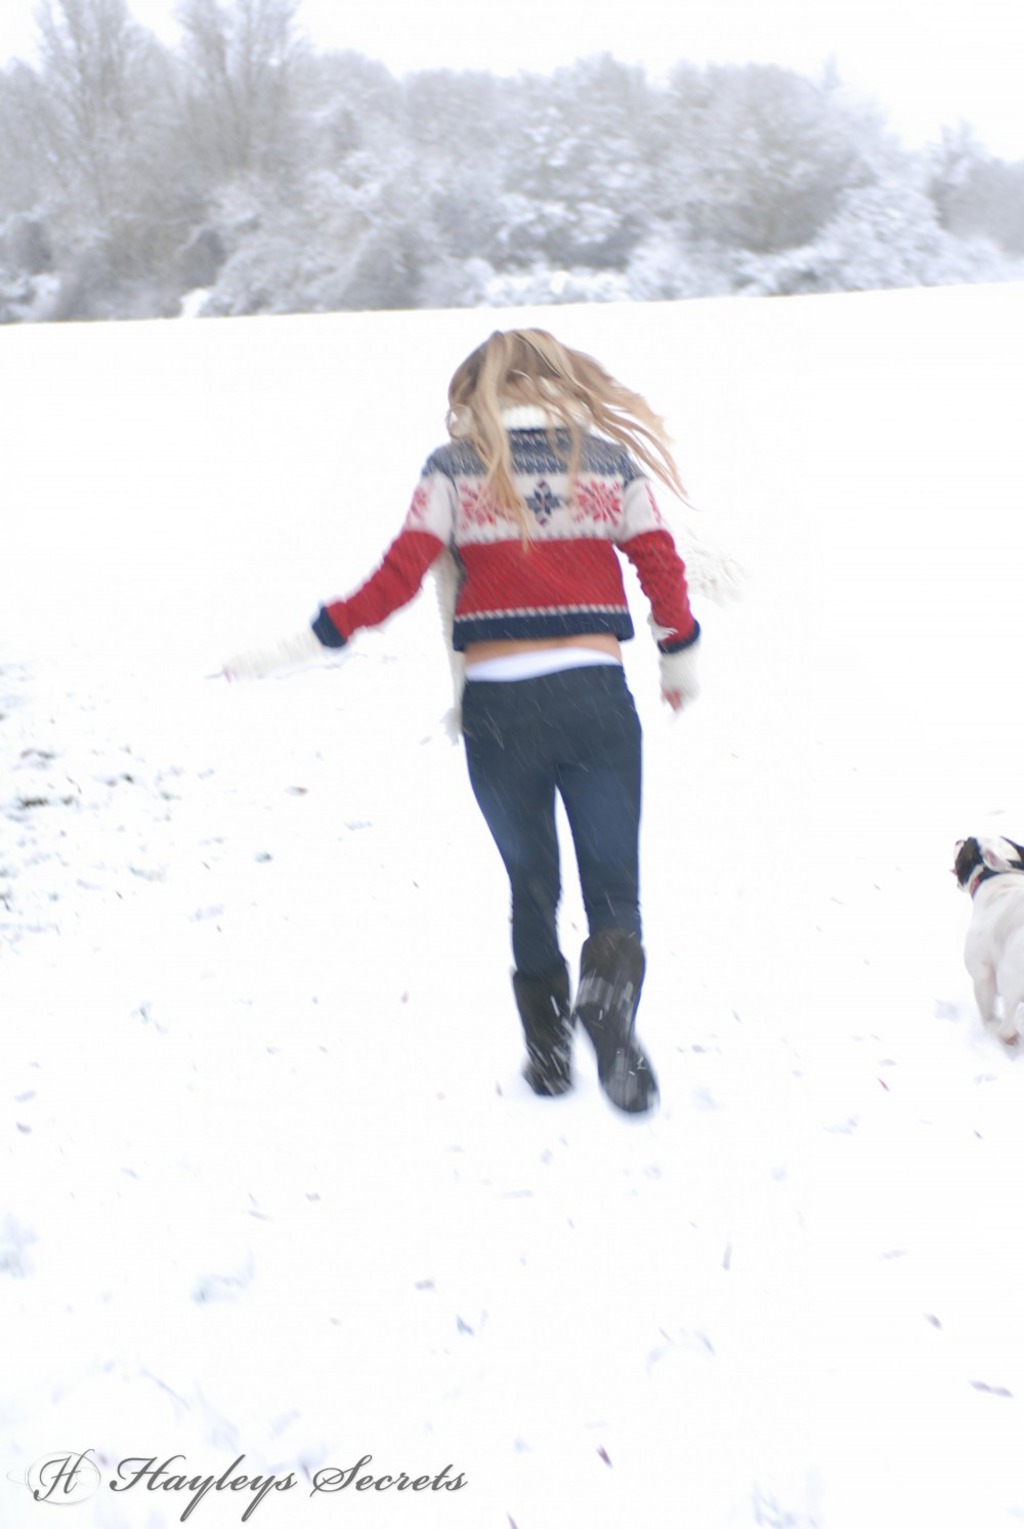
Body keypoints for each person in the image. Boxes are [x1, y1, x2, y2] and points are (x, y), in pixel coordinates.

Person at [224, 329, 700, 1115]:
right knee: (614, 887)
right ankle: (609, 1000)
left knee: (531, 886)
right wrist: (679, 654)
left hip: (500, 707)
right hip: (596, 694)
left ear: (474, 390)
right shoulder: (609, 462)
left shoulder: (452, 467)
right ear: (560, 379)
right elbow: (660, 563)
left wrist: (304, 642)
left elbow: (397, 577)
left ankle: (548, 1056)